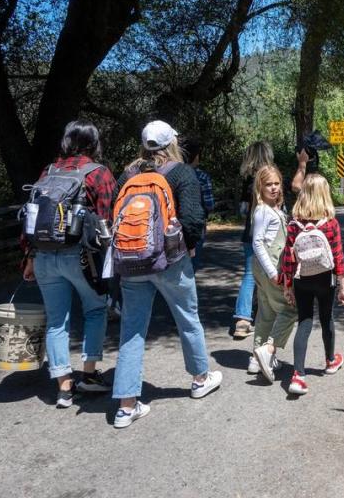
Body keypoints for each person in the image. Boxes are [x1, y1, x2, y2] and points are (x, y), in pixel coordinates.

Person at [111, 120, 221, 429]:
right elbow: (194, 218)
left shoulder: (129, 174)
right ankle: (200, 378)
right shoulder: (180, 172)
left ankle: (126, 405)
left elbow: (112, 213)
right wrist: (190, 245)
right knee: (187, 317)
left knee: (131, 330)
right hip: (171, 261)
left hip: (132, 263)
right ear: (172, 142)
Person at [21, 120, 117, 408]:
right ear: (94, 143)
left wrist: (28, 256)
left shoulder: (48, 172)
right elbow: (107, 218)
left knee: (56, 320)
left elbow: (31, 217)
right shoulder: (97, 174)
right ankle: (89, 375)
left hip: (44, 257)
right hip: (81, 257)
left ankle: (63, 386)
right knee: (95, 309)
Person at [280, 174, 344, 396]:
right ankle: (330, 361)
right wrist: (343, 286)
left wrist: (287, 286)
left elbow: (288, 259)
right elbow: (338, 257)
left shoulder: (294, 224)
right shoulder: (331, 223)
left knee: (304, 322)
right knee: (327, 318)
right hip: (325, 279)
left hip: (302, 280)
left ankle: (298, 375)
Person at [247, 164, 296, 382]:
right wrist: (272, 273)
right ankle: (268, 351)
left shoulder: (275, 209)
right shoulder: (262, 211)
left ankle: (256, 357)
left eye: (276, 183)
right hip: (270, 267)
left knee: (266, 311)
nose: (274, 188)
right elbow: (257, 243)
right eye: (268, 184)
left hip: (266, 267)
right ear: (260, 186)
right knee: (290, 309)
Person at [232, 141, 274, 339]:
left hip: (250, 233)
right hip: (270, 235)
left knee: (249, 274)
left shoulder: (248, 180)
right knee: (270, 272)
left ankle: (242, 319)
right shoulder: (271, 178)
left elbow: (241, 210)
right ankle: (271, 313)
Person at [183, 138, 214, 273]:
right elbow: (209, 204)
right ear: (196, 157)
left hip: (175, 224)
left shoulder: (172, 174)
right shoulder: (202, 176)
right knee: (192, 264)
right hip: (197, 223)